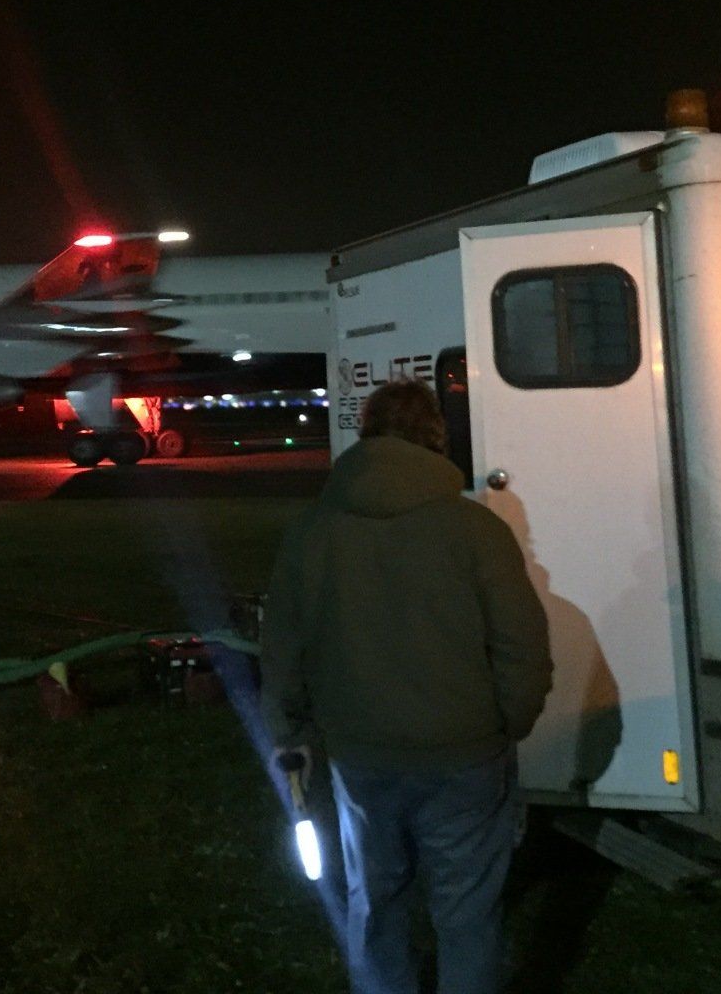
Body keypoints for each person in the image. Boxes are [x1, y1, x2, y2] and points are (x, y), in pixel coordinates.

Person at [262, 380, 553, 994]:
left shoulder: (312, 531)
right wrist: (506, 723)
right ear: (435, 438)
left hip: (361, 754)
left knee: (375, 899)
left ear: (366, 434)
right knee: (468, 913)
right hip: (466, 753)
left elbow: (284, 647)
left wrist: (290, 732)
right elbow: (523, 649)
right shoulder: (477, 531)